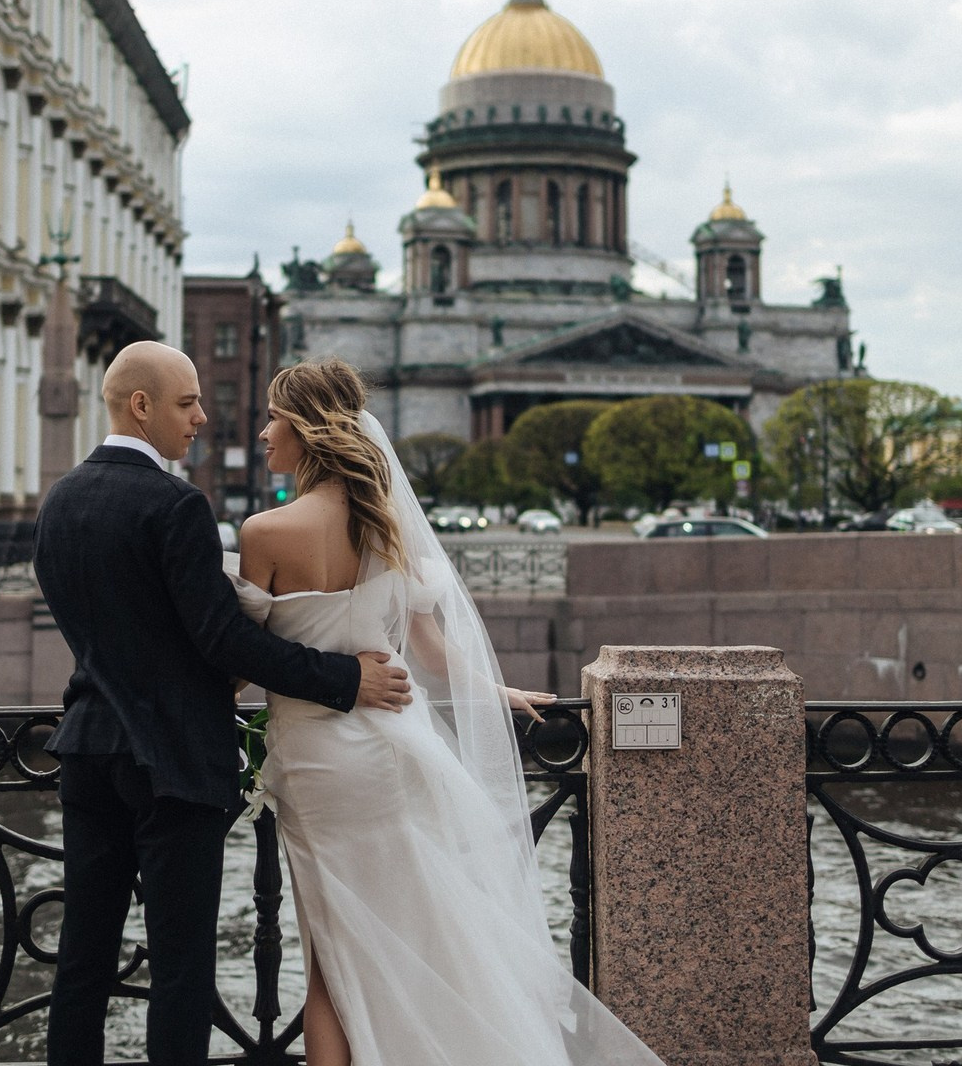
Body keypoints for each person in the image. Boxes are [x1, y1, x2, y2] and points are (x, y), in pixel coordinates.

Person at [231, 357, 667, 1066]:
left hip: (318, 765)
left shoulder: (265, 533)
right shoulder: (386, 527)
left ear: (308, 430)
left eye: (275, 417)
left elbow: (243, 660)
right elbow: (432, 655)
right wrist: (500, 692)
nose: (263, 432)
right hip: (391, 753)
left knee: (328, 957)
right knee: (417, 929)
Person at [33, 341, 412, 1066]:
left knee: (82, 962)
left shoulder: (61, 500)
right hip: (174, 766)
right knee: (180, 971)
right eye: (187, 404)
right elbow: (224, 642)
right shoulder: (174, 505)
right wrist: (344, 678)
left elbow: (107, 633)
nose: (203, 418)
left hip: (85, 751)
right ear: (140, 406)